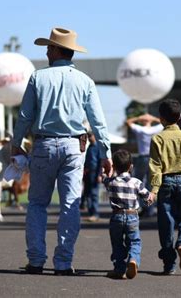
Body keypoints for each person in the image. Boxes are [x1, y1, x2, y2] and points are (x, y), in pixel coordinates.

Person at [11, 27, 112, 276]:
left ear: (57, 50)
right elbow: (98, 122)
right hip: (74, 147)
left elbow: (25, 116)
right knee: (70, 205)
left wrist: (16, 143)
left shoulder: (38, 78)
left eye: (48, 47)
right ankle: (64, 263)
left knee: (36, 204)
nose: (46, 51)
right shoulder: (86, 81)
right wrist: (107, 153)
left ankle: (36, 261)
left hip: (43, 145)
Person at [149, 99, 181, 275]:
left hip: (165, 182)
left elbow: (155, 166)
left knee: (166, 223)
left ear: (160, 119)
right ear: (179, 117)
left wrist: (154, 189)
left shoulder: (157, 138)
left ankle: (169, 265)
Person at [103, 149, 154, 279]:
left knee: (117, 243)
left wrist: (107, 171)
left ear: (114, 167)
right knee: (134, 241)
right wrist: (150, 199)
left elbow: (103, 178)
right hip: (132, 215)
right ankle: (133, 260)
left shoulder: (111, 182)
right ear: (131, 166)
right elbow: (147, 197)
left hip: (116, 216)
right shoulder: (136, 182)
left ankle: (119, 269)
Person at [126, 113, 163, 217]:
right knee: (151, 185)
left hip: (142, 157)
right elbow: (164, 122)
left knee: (139, 183)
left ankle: (142, 207)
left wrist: (139, 117)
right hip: (154, 158)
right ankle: (150, 209)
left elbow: (128, 122)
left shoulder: (140, 129)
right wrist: (153, 118)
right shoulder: (156, 129)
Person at [82, 132, 103, 222]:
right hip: (88, 173)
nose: (89, 138)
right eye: (88, 136)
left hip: (94, 173)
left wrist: (99, 174)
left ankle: (95, 213)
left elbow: (100, 162)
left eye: (91, 136)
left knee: (94, 194)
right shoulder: (90, 147)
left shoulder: (97, 147)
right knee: (88, 194)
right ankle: (91, 213)